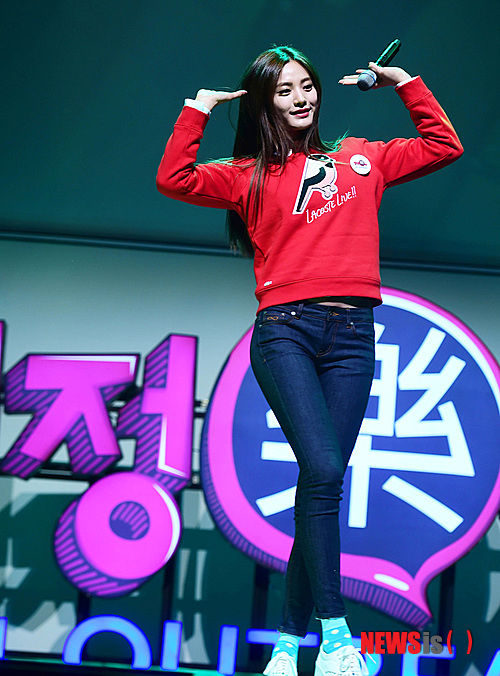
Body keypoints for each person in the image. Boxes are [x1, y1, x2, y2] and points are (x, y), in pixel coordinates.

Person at [156, 46, 463, 676]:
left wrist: (404, 82)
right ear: (264, 104)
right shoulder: (248, 175)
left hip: (353, 336)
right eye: (284, 90)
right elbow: (174, 179)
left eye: (307, 86)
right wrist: (196, 111)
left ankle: (287, 644)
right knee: (323, 469)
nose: (300, 98)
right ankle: (337, 637)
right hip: (286, 334)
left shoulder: (362, 157)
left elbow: (443, 146)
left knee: (319, 486)